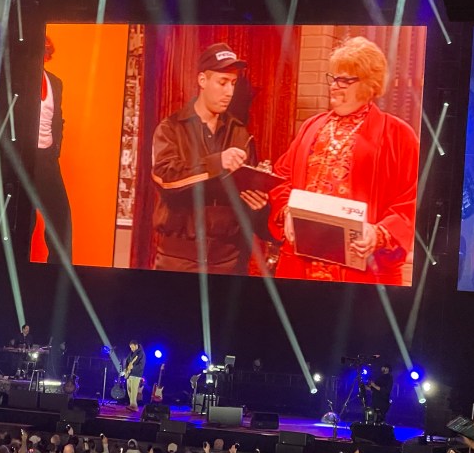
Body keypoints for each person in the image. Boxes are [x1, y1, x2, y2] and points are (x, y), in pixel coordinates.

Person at [268, 36, 419, 284]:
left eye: (345, 80)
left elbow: (411, 200)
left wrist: (378, 233)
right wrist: (287, 212)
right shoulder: (311, 126)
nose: (334, 86)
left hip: (360, 273)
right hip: (301, 264)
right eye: (334, 78)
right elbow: (281, 178)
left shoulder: (398, 135)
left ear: (369, 84)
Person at [150, 42, 270, 274]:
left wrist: (259, 205)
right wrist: (217, 162)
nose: (229, 92)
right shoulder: (171, 128)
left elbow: (246, 195)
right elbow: (166, 181)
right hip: (179, 259)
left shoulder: (240, 133)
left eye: (233, 83)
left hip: (228, 260)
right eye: (222, 82)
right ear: (202, 80)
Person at [33, 35, 73, 264]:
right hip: (25, 159)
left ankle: (57, 274)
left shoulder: (55, 82)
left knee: (61, 220)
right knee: (23, 221)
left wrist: (55, 149)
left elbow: (58, 120)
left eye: (44, 52)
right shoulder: (20, 80)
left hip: (47, 159)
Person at [122, 339, 146, 412]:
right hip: (129, 374)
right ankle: (131, 404)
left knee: (134, 391)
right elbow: (127, 361)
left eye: (132, 347)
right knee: (129, 389)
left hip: (136, 374)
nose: (131, 349)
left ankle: (134, 406)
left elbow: (141, 366)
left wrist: (133, 367)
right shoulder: (131, 353)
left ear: (136, 345)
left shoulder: (141, 353)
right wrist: (125, 369)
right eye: (130, 347)